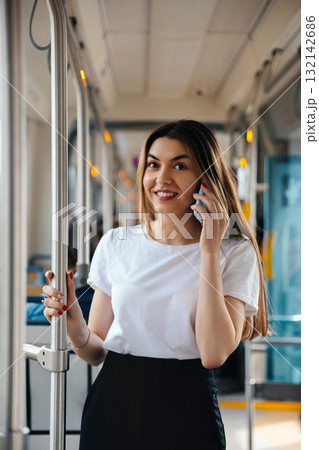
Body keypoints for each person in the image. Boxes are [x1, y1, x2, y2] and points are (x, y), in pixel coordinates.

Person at [42, 120, 268, 449]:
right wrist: (73, 322)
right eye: (153, 164)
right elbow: (95, 351)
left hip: (187, 409)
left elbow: (214, 353)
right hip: (112, 405)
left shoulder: (234, 251)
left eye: (180, 165)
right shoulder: (116, 243)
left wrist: (208, 249)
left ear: (206, 178)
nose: (161, 179)